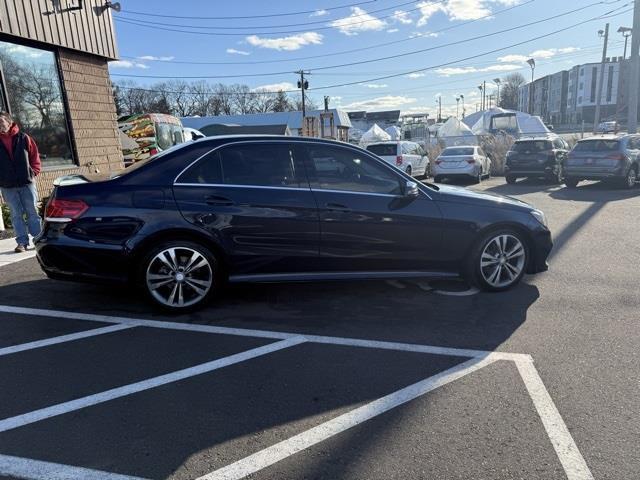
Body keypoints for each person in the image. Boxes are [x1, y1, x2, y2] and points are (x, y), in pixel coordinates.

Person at [0, 111, 42, 253]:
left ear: (9, 122)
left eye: (1, 121)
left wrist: (33, 172)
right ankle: (22, 243)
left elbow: (35, 157)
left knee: (32, 212)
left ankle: (38, 240)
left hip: (26, 183)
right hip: (7, 185)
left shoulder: (24, 138)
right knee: (15, 214)